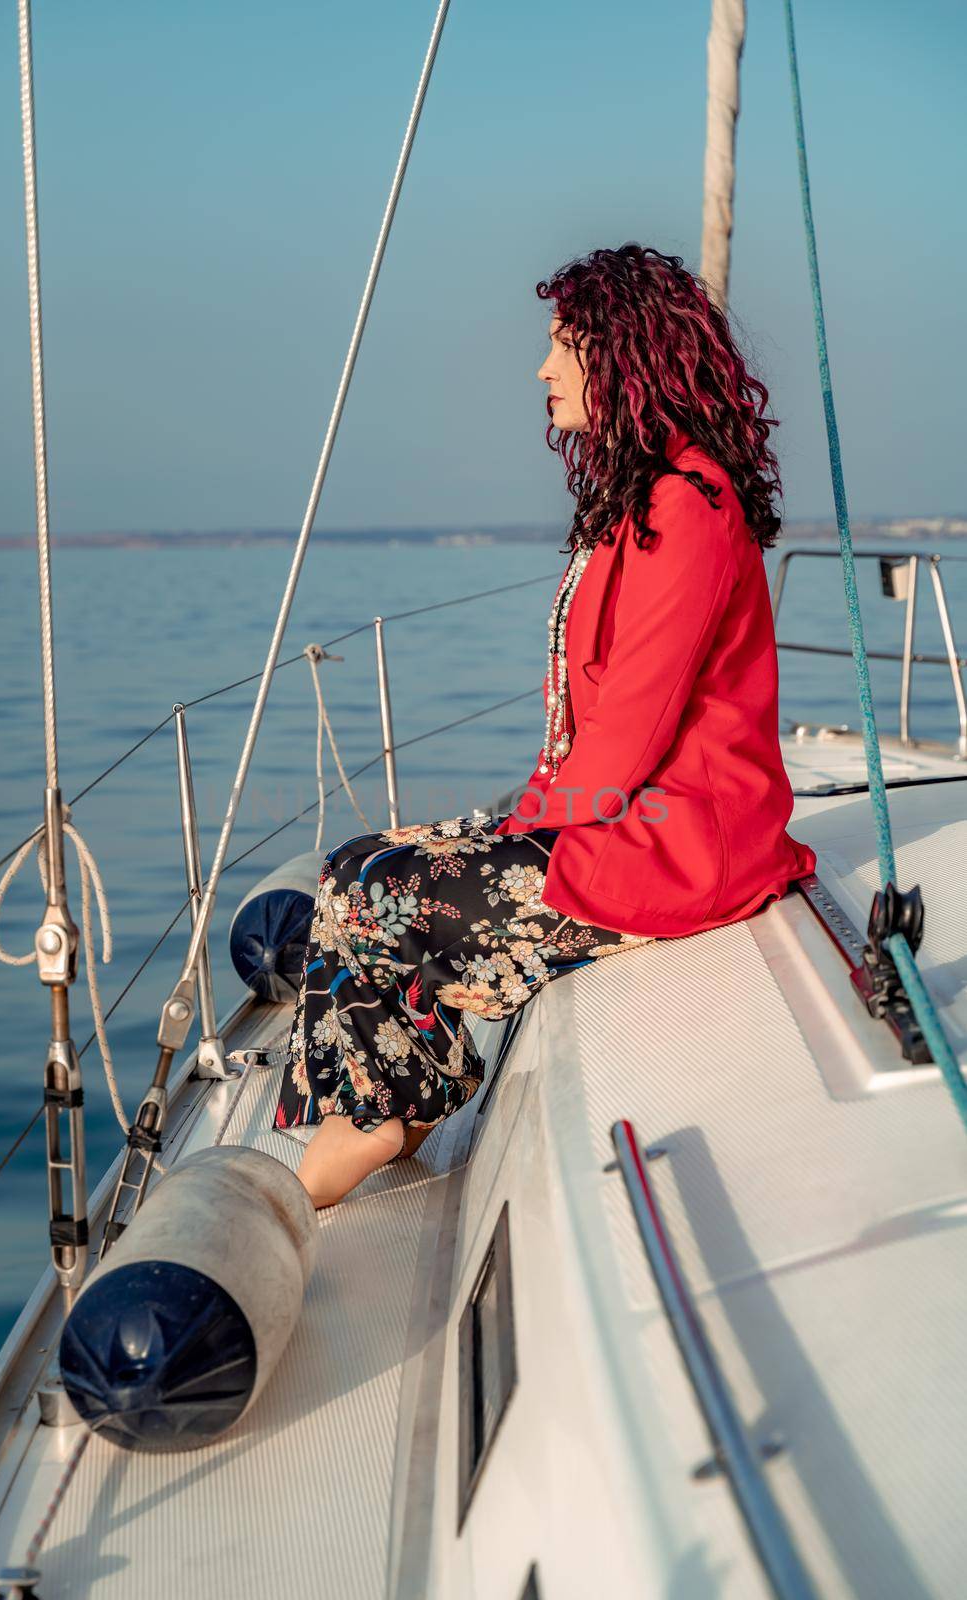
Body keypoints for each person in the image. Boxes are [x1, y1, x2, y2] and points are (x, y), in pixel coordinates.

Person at [275, 242, 817, 1210]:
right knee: (353, 864)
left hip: (675, 841)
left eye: (562, 344)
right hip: (618, 813)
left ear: (622, 352)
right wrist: (515, 820)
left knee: (378, 896)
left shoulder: (686, 504)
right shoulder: (643, 497)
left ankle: (379, 1117)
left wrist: (523, 828)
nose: (541, 368)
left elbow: (634, 722)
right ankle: (386, 1103)